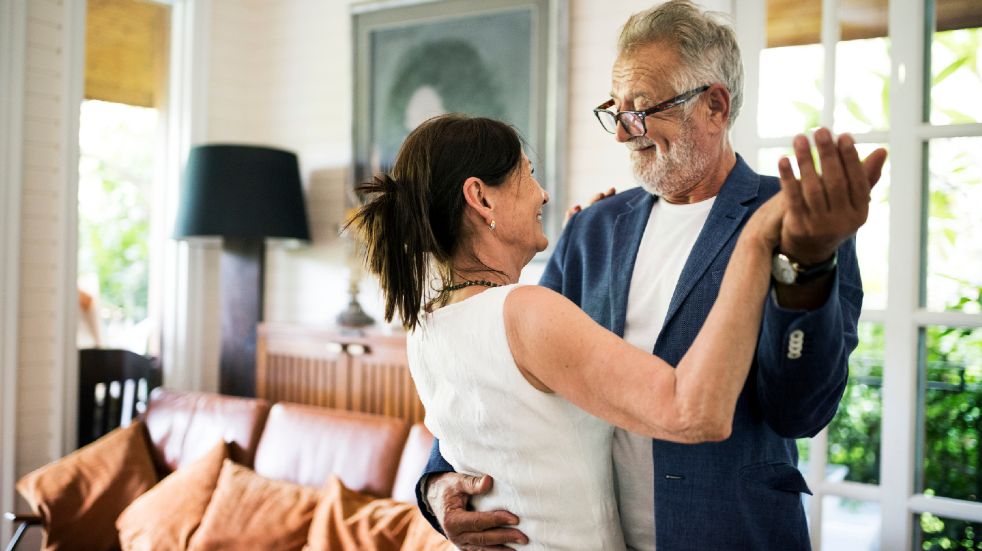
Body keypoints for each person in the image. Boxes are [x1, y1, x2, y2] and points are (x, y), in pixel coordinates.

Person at [417, 2, 888, 550]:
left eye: (641, 109)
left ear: (715, 105)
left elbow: (801, 411)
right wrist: (438, 482)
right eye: (614, 111)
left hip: (732, 533)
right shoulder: (592, 228)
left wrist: (807, 265)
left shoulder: (795, 219)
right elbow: (511, 381)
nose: (622, 133)